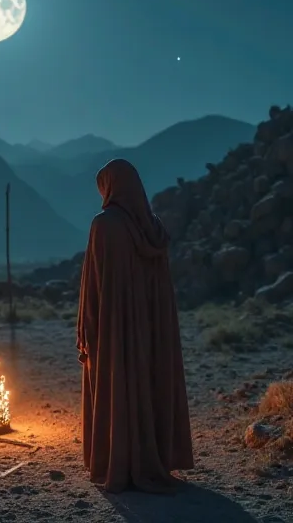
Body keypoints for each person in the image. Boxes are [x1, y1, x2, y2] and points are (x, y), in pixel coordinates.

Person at [76, 158, 194, 494]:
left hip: (114, 330)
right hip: (151, 332)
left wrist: (88, 330)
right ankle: (152, 457)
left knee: (116, 390)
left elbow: (95, 287)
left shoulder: (104, 225)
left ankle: (118, 462)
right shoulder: (153, 227)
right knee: (148, 384)